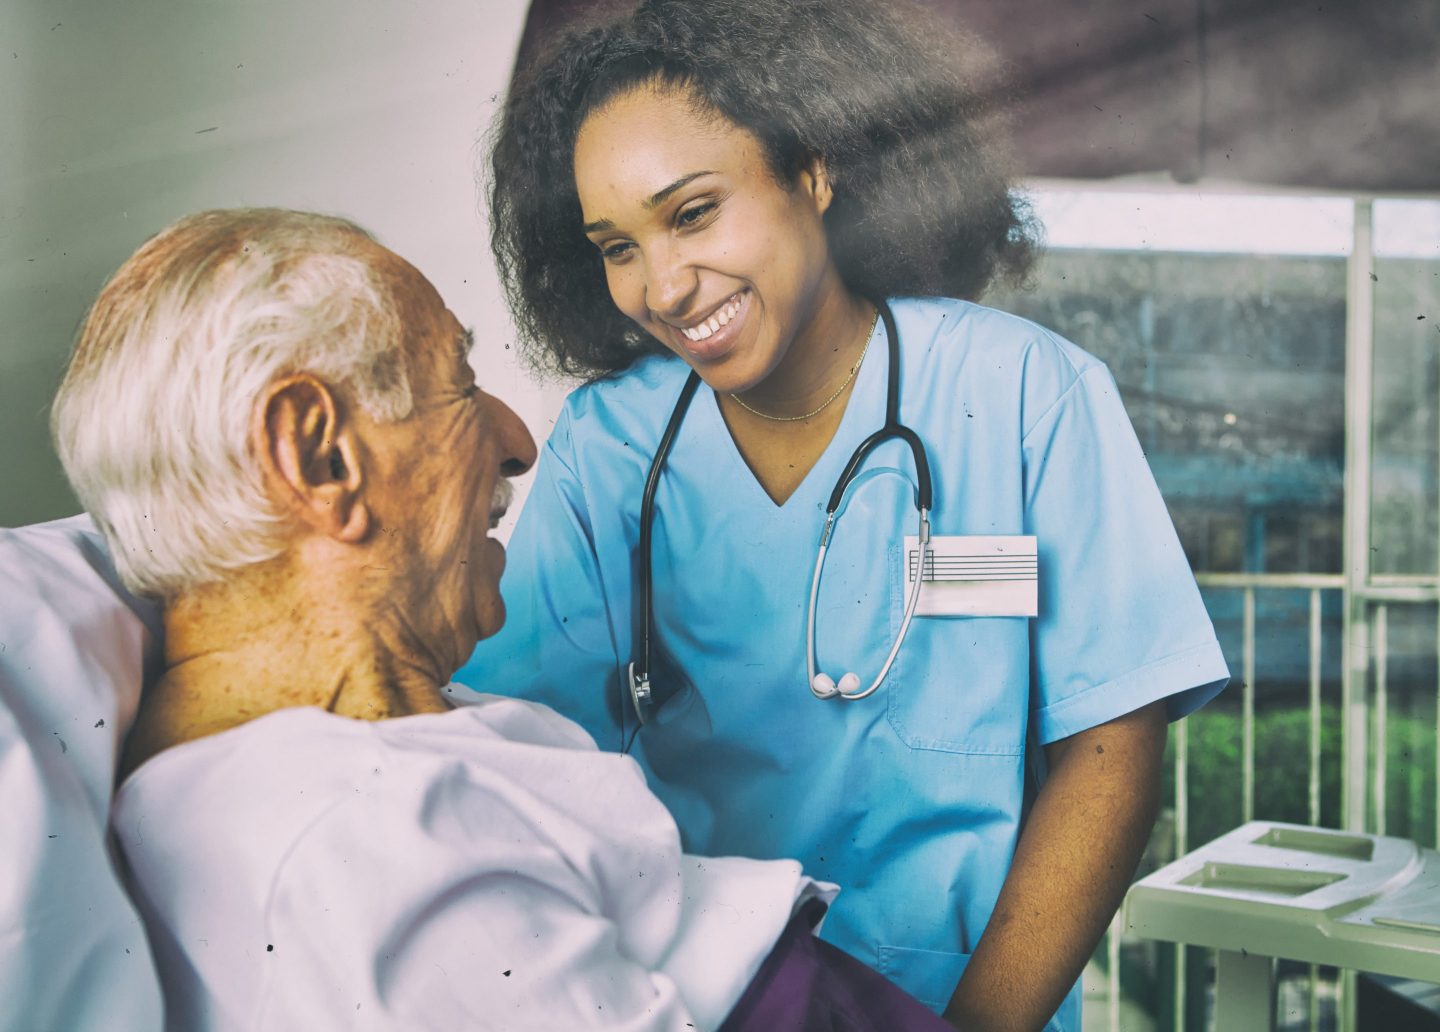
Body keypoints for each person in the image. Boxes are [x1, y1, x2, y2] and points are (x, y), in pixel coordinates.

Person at [460, 1, 1231, 1028]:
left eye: (692, 213)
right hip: (706, 1003)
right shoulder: (612, 448)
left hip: (968, 994)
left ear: (814, 170)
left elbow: (1110, 742)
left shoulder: (1021, 394)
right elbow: (525, 749)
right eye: (616, 246)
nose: (664, 286)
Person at [51, 208, 953, 1031]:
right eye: (459, 382)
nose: (519, 442)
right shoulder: (357, 846)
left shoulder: (352, 763)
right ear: (319, 456)